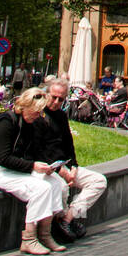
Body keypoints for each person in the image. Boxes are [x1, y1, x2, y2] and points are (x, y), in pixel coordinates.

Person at [0, 87, 67, 256]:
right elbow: (3, 158)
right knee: (41, 188)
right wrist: (32, 166)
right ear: (25, 106)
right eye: (35, 112)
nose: (38, 116)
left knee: (55, 183)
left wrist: (46, 167)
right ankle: (29, 238)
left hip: (15, 169)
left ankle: (45, 234)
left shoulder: (29, 124)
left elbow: (32, 153)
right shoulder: (4, 123)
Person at [40, 78, 108, 240]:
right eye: (53, 97)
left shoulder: (62, 116)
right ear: (46, 94)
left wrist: (74, 166)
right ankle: (61, 224)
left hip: (66, 166)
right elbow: (39, 150)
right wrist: (61, 171)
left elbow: (68, 145)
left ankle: (67, 218)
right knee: (61, 187)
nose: (56, 102)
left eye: (61, 99)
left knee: (99, 181)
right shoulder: (38, 116)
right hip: (48, 168)